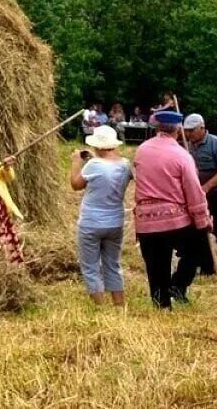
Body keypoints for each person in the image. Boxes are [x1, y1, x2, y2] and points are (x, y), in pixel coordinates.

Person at [132, 110, 212, 309]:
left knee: (155, 265)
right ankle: (177, 284)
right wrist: (203, 221)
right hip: (175, 220)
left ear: (157, 127)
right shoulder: (181, 156)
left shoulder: (141, 150)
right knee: (196, 251)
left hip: (146, 221)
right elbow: (194, 192)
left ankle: (162, 304)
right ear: (178, 129)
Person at [69, 126, 132, 306]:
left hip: (91, 222)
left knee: (90, 266)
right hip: (115, 221)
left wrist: (75, 162)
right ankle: (120, 305)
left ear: (97, 145)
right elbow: (108, 171)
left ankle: (100, 306)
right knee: (112, 264)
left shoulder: (93, 165)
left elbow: (76, 184)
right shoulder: (125, 164)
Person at [184, 113, 217, 274]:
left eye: (192, 130)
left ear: (202, 128)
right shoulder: (187, 146)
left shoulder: (216, 144)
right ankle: (207, 266)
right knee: (198, 229)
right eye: (186, 130)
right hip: (197, 196)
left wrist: (207, 186)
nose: (188, 134)